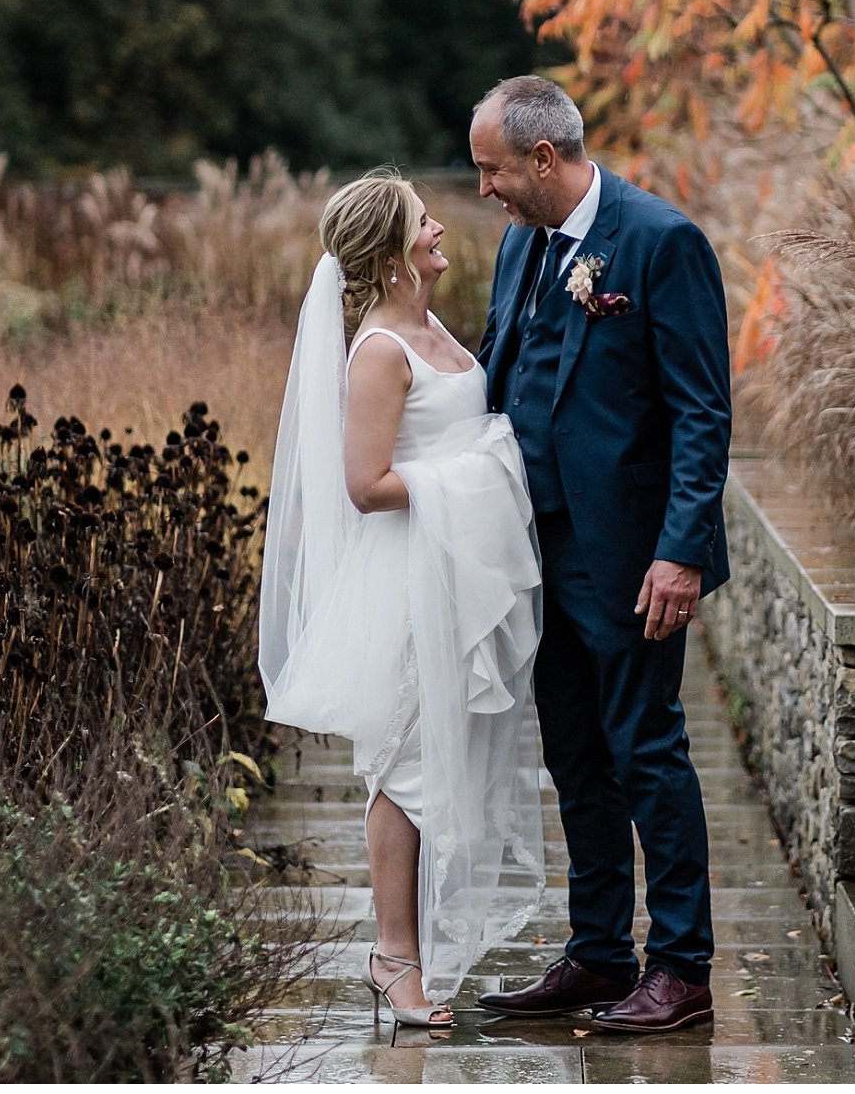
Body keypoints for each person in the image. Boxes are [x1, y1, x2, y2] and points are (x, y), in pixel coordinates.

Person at [467, 75, 731, 1035]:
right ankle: (596, 952)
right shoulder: (518, 246)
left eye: (493, 170)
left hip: (628, 555)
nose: (485, 190)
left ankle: (683, 967)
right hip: (534, 547)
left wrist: (681, 552)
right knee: (575, 754)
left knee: (646, 751)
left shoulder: (662, 242)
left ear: (544, 158)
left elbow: (703, 411)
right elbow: (502, 370)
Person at [256, 170, 547, 1035]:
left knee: (445, 755)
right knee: (406, 765)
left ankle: (413, 945)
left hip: (457, 571)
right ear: (390, 254)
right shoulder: (382, 348)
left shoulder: (429, 324)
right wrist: (486, 470)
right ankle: (393, 954)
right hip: (410, 580)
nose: (441, 230)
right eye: (425, 223)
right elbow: (365, 484)